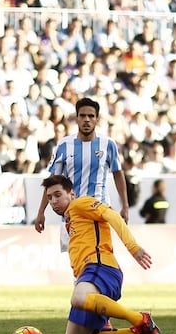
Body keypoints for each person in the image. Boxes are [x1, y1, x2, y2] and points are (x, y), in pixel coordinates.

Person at [41, 174, 162, 334]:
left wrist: (133, 246)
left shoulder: (80, 204)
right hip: (88, 276)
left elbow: (112, 215)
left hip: (101, 267)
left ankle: (140, 319)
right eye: (49, 197)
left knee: (78, 298)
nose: (53, 201)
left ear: (72, 194)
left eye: (58, 195)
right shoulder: (71, 219)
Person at [35, 97, 129, 247]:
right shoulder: (64, 145)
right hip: (72, 212)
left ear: (97, 119)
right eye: (82, 115)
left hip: (99, 210)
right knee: (77, 260)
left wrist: (124, 205)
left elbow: (118, 173)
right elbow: (53, 180)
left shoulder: (108, 144)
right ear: (77, 118)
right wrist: (41, 212)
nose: (87, 120)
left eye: (91, 116)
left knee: (98, 255)